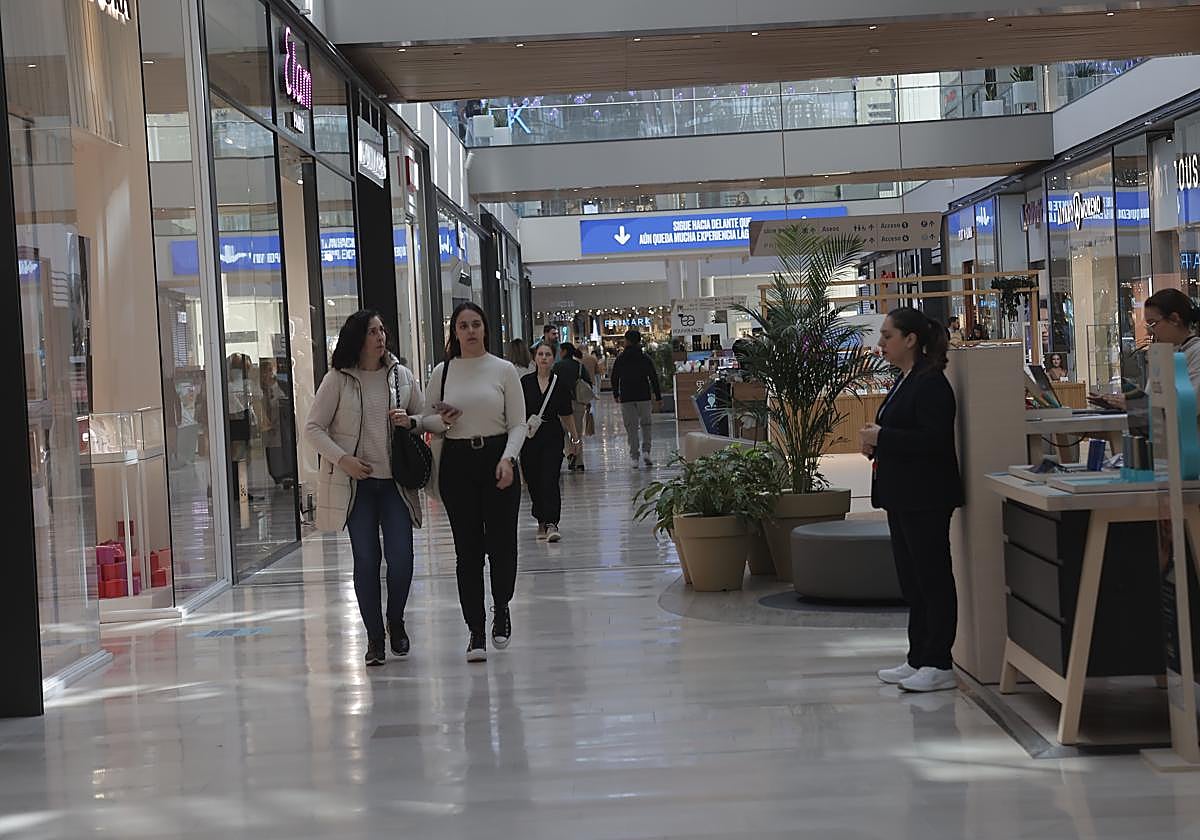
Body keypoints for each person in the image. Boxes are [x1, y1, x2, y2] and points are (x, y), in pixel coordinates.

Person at [305, 311, 427, 667]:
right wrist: (343, 459)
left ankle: (396, 621)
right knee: (367, 561)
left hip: (396, 486)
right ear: (357, 338)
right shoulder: (338, 380)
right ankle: (375, 637)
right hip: (358, 487)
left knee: (402, 559)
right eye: (373, 331)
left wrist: (415, 420)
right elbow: (313, 427)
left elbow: (421, 419)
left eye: (382, 329)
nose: (380, 336)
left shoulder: (401, 376)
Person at [859, 308, 963, 693]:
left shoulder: (931, 383)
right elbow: (900, 432)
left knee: (932, 577)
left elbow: (934, 440)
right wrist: (878, 443)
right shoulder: (906, 381)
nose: (881, 343)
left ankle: (939, 660)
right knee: (913, 580)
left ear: (911, 340)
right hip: (902, 493)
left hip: (926, 495)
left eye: (887, 336)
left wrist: (883, 438)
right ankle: (918, 655)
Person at [426, 302, 527, 663]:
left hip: (497, 457)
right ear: (454, 332)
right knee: (467, 552)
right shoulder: (442, 372)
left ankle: (502, 607)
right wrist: (444, 421)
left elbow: (518, 422)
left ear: (485, 329)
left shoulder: (503, 370)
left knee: (502, 545)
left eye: (476, 324)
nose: (470, 331)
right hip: (457, 462)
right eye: (463, 325)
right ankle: (475, 630)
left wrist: (508, 458)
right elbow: (428, 419)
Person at [1093, 289, 1200, 411]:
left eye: (1153, 324)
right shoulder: (1165, 355)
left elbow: (1189, 404)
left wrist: (1137, 404)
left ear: (1174, 319)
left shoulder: (1196, 352)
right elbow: (1152, 399)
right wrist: (1126, 400)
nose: (1150, 332)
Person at [521, 343, 581, 542]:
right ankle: (540, 518)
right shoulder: (525, 383)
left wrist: (574, 438)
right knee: (533, 479)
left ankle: (551, 523)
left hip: (552, 435)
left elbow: (567, 413)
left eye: (547, 354)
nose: (544, 358)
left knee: (550, 478)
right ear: (534, 358)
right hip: (530, 437)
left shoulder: (559, 383)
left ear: (553, 358)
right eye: (540, 354)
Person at [610, 329, 662, 469]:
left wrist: (616, 393)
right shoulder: (645, 357)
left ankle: (634, 456)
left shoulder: (621, 358)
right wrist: (657, 396)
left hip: (627, 396)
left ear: (626, 341)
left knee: (631, 427)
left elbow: (614, 377)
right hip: (643, 395)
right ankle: (646, 451)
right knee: (646, 425)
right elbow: (653, 377)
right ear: (639, 341)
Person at [557, 342, 593, 472]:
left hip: (561, 403)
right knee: (577, 433)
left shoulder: (557, 367)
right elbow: (588, 383)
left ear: (564, 351)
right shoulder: (579, 366)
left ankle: (569, 452)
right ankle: (579, 461)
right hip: (578, 403)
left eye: (560, 351)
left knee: (564, 431)